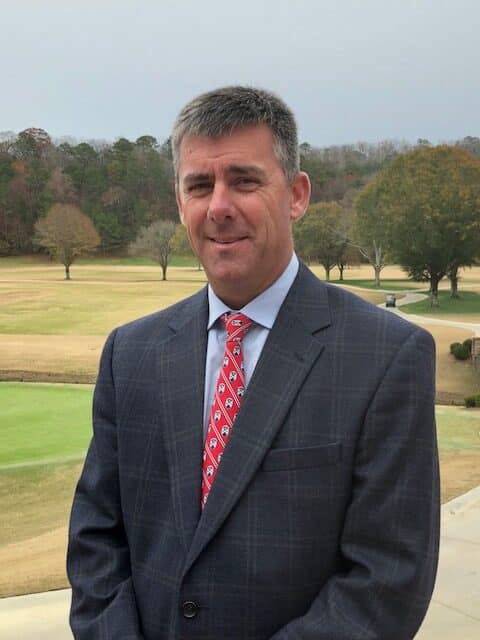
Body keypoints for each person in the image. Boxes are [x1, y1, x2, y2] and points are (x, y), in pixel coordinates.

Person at [67, 86, 440, 639]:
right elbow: (96, 539)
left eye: (244, 180)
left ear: (296, 194)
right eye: (199, 185)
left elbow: (386, 582)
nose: (219, 206)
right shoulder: (132, 353)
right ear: (180, 202)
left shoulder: (386, 358)